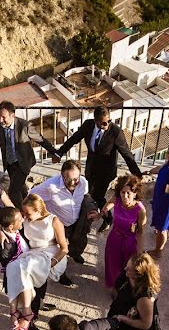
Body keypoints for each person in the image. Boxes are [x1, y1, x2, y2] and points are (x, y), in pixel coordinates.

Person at [53, 105, 143, 233]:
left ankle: (107, 219)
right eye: (103, 122)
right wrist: (59, 153)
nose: (107, 124)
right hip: (91, 168)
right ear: (96, 121)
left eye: (109, 121)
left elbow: (127, 154)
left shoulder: (116, 132)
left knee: (97, 196)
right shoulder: (88, 125)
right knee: (88, 194)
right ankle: (92, 217)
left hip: (106, 171)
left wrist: (137, 175)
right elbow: (73, 139)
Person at [0, 101, 59, 208]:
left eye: (3, 117)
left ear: (12, 115)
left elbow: (41, 140)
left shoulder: (25, 126)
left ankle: (19, 215)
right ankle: (30, 205)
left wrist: (54, 153)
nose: (0, 120)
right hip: (9, 163)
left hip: (23, 163)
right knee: (20, 187)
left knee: (13, 191)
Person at [29, 160, 99, 286]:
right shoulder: (50, 186)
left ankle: (75, 253)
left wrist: (92, 210)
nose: (72, 183)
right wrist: (43, 214)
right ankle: (61, 274)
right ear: (62, 175)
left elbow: (85, 197)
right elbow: (31, 196)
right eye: (68, 179)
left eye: (75, 179)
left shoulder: (83, 182)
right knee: (60, 250)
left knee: (78, 242)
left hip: (76, 222)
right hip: (59, 225)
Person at [4, 195, 68, 330]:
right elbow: (1, 217)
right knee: (12, 267)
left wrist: (51, 263)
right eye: (23, 212)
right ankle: (13, 311)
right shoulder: (25, 218)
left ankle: (27, 311)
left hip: (51, 255)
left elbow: (64, 248)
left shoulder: (53, 221)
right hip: (33, 254)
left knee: (24, 266)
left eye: (28, 213)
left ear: (38, 209)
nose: (24, 216)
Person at [0, 207, 54, 330]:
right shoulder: (4, 246)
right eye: (19, 218)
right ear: (11, 226)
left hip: (34, 271)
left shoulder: (17, 229)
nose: (23, 218)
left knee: (40, 293)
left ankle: (39, 304)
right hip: (22, 280)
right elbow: (13, 272)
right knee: (28, 303)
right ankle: (30, 321)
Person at [108, 253, 160, 330]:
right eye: (127, 265)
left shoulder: (144, 298)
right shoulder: (127, 276)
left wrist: (122, 318)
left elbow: (145, 324)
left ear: (139, 275)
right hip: (124, 312)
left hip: (135, 324)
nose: (125, 269)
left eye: (129, 269)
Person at [100, 175, 147, 288]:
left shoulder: (140, 211)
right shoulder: (117, 200)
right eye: (122, 192)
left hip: (130, 242)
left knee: (128, 267)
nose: (125, 196)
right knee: (113, 264)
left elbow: (140, 233)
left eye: (128, 193)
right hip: (115, 237)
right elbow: (110, 203)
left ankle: (123, 288)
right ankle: (115, 286)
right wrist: (101, 213)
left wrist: (139, 254)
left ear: (135, 193)